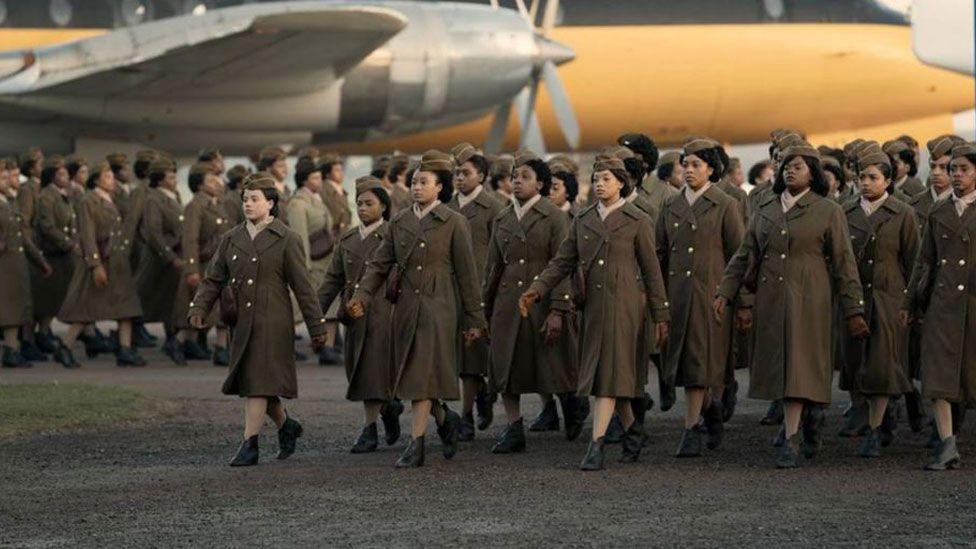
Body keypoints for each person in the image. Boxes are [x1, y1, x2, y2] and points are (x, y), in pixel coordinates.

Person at [716, 142, 868, 468]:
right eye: (785, 165)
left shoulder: (829, 211)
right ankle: (798, 426)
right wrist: (725, 293)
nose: (789, 170)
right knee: (783, 369)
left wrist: (854, 308)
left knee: (802, 367)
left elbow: (844, 262)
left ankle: (793, 434)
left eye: (797, 166)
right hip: (772, 301)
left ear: (813, 173)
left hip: (811, 300)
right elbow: (743, 256)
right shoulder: (766, 209)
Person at [519, 155, 669, 471]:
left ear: (621, 183)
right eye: (597, 179)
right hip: (592, 309)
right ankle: (633, 432)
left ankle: (596, 444)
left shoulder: (637, 219)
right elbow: (562, 261)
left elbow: (652, 271)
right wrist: (537, 289)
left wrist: (661, 314)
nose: (600, 184)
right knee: (610, 377)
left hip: (624, 307)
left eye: (607, 179)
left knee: (608, 377)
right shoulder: (583, 219)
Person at [346, 150, 486, 468]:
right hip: (406, 309)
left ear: (440, 187)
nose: (416, 187)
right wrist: (361, 297)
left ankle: (416, 444)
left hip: (439, 309)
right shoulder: (400, 221)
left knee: (421, 374)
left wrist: (474, 319)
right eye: (414, 181)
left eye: (424, 182)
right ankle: (445, 419)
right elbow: (379, 265)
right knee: (412, 378)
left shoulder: (454, 222)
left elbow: (468, 276)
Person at [188, 172, 328, 466]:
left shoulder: (286, 238)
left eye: (255, 199)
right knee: (256, 380)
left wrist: (317, 326)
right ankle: (286, 425)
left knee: (257, 383)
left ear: (271, 203)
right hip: (241, 321)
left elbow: (303, 287)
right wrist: (199, 309)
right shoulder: (231, 238)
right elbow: (213, 279)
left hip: (272, 321)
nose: (248, 204)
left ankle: (249, 444)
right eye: (245, 200)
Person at [484, 150, 584, 454]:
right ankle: (514, 428)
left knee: (553, 366)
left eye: (525, 177)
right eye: (514, 176)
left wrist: (558, 309)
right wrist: (483, 310)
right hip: (507, 303)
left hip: (543, 300)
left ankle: (571, 405)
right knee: (506, 367)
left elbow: (562, 264)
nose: (517, 182)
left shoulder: (554, 217)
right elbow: (493, 267)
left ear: (540, 184)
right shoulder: (502, 217)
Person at [658, 137, 745, 456]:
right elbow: (661, 252)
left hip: (712, 297)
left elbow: (739, 254)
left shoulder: (725, 204)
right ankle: (710, 411)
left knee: (699, 365)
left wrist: (741, 300)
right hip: (677, 296)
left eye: (696, 165)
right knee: (683, 366)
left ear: (711, 169)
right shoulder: (670, 205)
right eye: (686, 164)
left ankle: (690, 428)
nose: (689, 170)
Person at [839, 143, 918, 458]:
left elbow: (914, 262)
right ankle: (879, 420)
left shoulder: (903, 213)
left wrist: (911, 304)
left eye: (872, 177)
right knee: (856, 362)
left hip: (888, 299)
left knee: (882, 365)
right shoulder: (844, 212)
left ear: (887, 181)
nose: (865, 183)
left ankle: (873, 430)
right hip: (854, 298)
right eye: (862, 177)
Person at [902, 142, 976, 470]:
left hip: (973, 305)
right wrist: (911, 302)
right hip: (943, 304)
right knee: (938, 375)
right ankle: (947, 444)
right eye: (952, 170)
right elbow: (925, 262)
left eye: (963, 170)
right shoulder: (939, 211)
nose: (956, 175)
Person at [318, 177, 403, 453]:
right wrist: (315, 312)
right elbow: (332, 279)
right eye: (359, 203)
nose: (363, 208)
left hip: (385, 313)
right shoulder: (348, 238)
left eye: (370, 203)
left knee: (376, 371)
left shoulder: (394, 234)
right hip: (353, 316)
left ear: (384, 206)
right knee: (359, 370)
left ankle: (375, 423)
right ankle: (382, 415)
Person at [58, 161, 148, 367]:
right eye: (107, 177)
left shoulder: (111, 199)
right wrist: (95, 264)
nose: (112, 180)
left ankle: (124, 350)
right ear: (96, 180)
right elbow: (87, 236)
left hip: (117, 262)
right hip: (101, 262)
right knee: (86, 311)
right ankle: (65, 346)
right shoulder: (88, 201)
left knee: (127, 308)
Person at [447, 142, 505, 439]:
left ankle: (467, 415)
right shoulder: (446, 208)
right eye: (456, 173)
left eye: (465, 173)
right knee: (454, 357)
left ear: (481, 176)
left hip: (480, 291)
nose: (459, 178)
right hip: (448, 291)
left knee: (472, 359)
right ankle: (479, 393)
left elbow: (500, 253)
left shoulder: (494, 208)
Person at [172, 162, 229, 364]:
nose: (216, 183)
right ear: (199, 185)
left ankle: (221, 350)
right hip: (205, 267)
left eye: (216, 179)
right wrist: (192, 269)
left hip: (222, 265)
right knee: (203, 312)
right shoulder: (194, 206)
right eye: (210, 180)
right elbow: (190, 240)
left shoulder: (217, 203)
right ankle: (178, 342)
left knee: (226, 309)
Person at [0, 159, 53, 368]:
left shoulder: (9, 202)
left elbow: (22, 236)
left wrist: (40, 261)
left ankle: (12, 351)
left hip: (14, 264)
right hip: (4, 264)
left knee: (14, 310)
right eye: (3, 178)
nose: (7, 181)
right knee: (7, 309)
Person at [134, 159, 185, 364]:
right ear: (160, 180)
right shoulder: (153, 199)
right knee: (140, 299)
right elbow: (154, 233)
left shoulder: (174, 196)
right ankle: (126, 340)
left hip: (171, 258)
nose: (174, 180)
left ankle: (173, 340)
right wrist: (170, 256)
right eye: (171, 177)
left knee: (170, 301)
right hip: (157, 259)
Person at [31, 158, 78, 361]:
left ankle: (43, 333)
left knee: (54, 300)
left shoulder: (62, 196)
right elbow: (47, 227)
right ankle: (35, 336)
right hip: (53, 255)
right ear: (52, 177)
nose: (66, 178)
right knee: (44, 301)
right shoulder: (46, 197)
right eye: (61, 174)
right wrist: (69, 243)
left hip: (63, 256)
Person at [317, 152, 352, 365]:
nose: (340, 173)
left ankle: (334, 340)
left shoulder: (340, 190)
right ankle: (327, 345)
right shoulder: (325, 190)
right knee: (330, 292)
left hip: (340, 244)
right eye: (337, 169)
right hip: (330, 246)